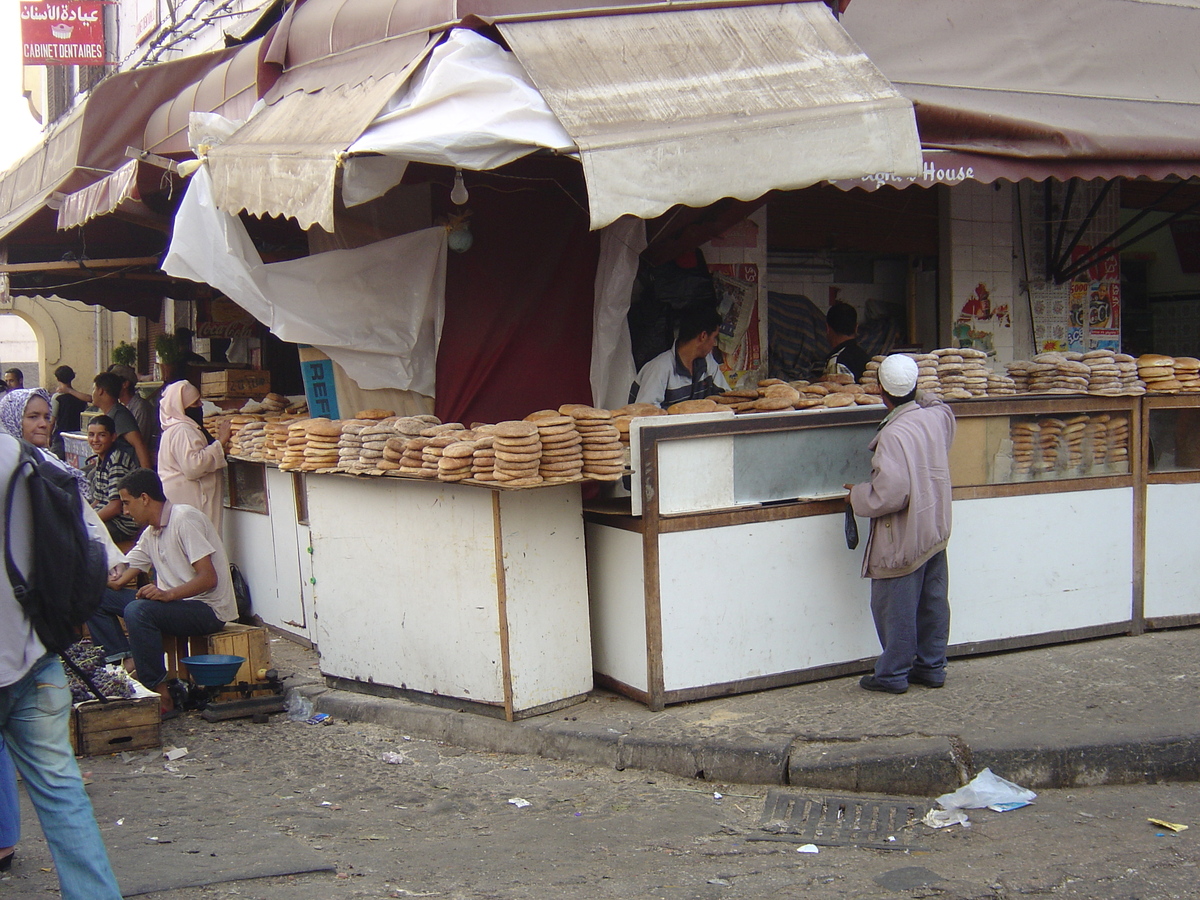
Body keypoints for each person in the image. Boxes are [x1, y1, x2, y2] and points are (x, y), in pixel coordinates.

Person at [0, 433, 125, 899]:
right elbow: (89, 537)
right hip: (35, 654)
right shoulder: (24, 457)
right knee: (62, 796)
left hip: (30, 657)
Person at [844, 354, 956, 694]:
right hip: (934, 529)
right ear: (914, 386)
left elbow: (890, 495)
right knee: (933, 602)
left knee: (896, 607)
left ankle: (892, 674)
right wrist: (918, 391)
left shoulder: (893, 434)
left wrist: (856, 496)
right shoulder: (935, 418)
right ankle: (932, 667)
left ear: (880, 390)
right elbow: (941, 406)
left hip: (904, 535)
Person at [103, 469, 237, 715]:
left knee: (139, 611)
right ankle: (121, 661)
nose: (124, 511)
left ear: (144, 498)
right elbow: (121, 577)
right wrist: (107, 574)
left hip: (207, 609)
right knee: (96, 596)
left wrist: (168, 594)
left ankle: (160, 693)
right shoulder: (151, 533)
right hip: (173, 606)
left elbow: (208, 578)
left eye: (126, 503)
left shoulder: (184, 518)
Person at [157, 381, 231, 535]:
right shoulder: (183, 430)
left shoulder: (173, 429)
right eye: (195, 402)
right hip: (191, 501)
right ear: (182, 406)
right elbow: (193, 466)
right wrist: (221, 442)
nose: (201, 405)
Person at [629, 305, 729, 408]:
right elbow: (646, 414)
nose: (714, 343)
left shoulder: (708, 362)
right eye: (714, 337)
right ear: (703, 336)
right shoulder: (659, 369)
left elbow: (726, 398)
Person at [84, 416, 141, 548]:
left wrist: (88, 522)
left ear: (113, 437)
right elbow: (98, 500)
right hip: (108, 518)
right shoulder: (102, 458)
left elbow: (115, 506)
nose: (95, 440)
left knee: (83, 537)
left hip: (122, 524)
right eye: (91, 435)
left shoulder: (117, 460)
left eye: (101, 435)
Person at [92, 372, 151, 469]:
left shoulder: (119, 415)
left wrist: (146, 475)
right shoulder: (111, 413)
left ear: (100, 391)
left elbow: (139, 444)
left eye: (94, 389)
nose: (92, 393)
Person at [107, 364, 157, 452]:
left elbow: (139, 442)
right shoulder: (120, 406)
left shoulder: (141, 407)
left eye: (114, 383)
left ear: (125, 384)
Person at [820, 302, 870, 383]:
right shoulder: (864, 355)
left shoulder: (836, 362)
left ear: (827, 328)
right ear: (856, 327)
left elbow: (839, 394)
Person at [50, 366, 90, 460]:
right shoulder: (80, 398)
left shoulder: (57, 397)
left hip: (61, 435)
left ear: (57, 378)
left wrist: (48, 436)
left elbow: (52, 421)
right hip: (77, 435)